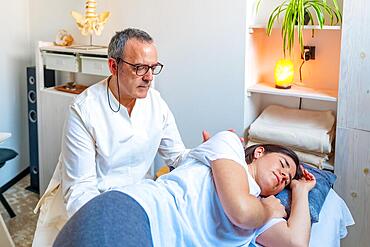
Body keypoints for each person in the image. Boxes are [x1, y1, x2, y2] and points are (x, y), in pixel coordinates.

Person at [33, 28, 190, 246]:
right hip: (93, 209)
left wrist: (213, 154)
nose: (149, 77)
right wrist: (111, 226)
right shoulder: (84, 110)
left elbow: (177, 156)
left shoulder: (156, 104)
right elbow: (80, 190)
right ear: (113, 66)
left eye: (153, 68)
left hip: (134, 201)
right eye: (139, 68)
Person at [53, 131, 316, 247]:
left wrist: (300, 190)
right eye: (283, 165)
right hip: (133, 213)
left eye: (287, 178)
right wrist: (267, 209)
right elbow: (241, 212)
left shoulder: (262, 206)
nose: (283, 175)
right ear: (258, 152)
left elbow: (295, 242)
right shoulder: (229, 146)